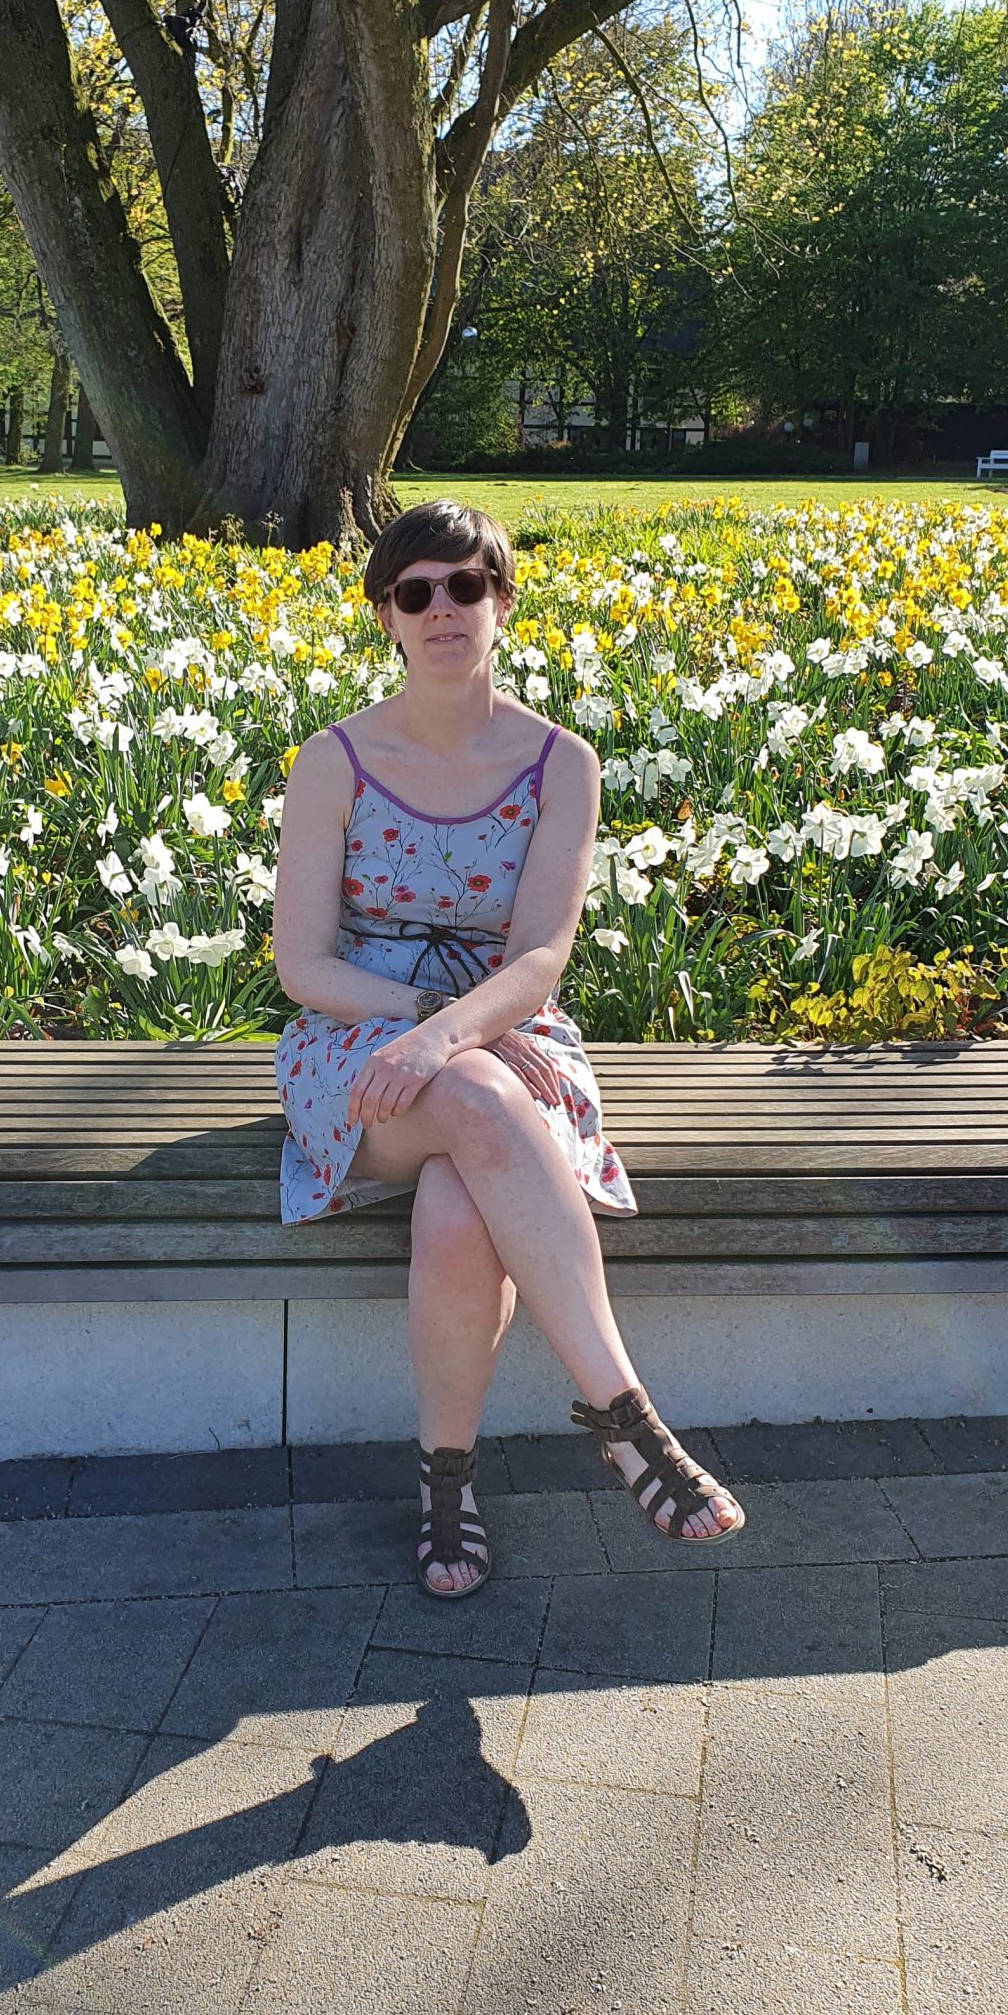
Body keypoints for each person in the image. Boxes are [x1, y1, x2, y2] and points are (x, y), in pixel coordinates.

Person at [271, 500, 745, 1598]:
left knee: (456, 1204)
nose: (442, 608)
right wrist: (424, 1027)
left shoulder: (557, 762)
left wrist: (453, 1034)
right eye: (415, 591)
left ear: (502, 602)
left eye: (465, 585)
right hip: (355, 1045)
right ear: (386, 616)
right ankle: (627, 1420)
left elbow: (538, 957)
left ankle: (446, 1486)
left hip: (507, 1034)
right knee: (477, 1100)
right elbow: (303, 966)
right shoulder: (332, 761)